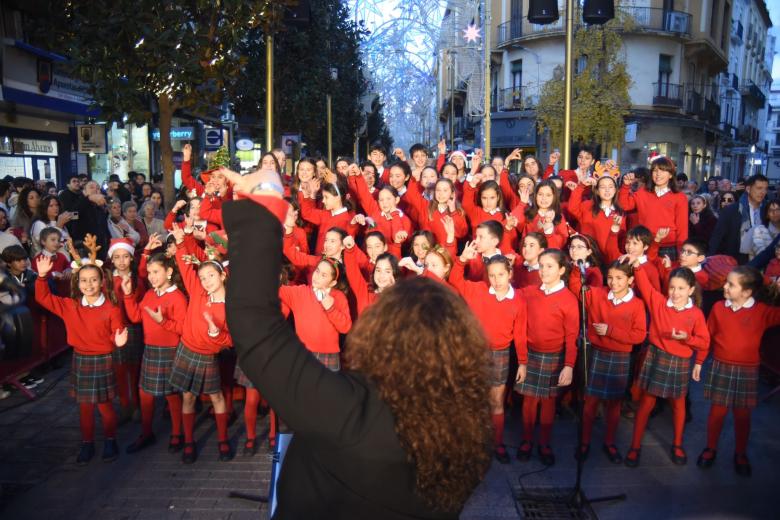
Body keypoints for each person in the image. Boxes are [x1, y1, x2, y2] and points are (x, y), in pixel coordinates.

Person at [222, 167, 491, 518]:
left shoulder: (351, 412)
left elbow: (256, 327)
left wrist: (266, 200)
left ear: (382, 334)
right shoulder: (470, 433)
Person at [34, 253, 128, 465]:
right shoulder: (71, 305)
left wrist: (118, 340)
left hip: (103, 359)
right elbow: (43, 298)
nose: (89, 284)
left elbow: (116, 332)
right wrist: (41, 277)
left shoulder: (111, 308)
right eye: (84, 280)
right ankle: (87, 442)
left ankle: (110, 440)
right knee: (85, 406)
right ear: (78, 282)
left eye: (93, 279)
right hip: (81, 359)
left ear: (102, 281)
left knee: (104, 405)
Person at [623, 263, 710, 467]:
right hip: (657, 356)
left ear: (690, 290)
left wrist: (687, 338)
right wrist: (636, 266)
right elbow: (644, 285)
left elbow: (704, 342)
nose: (675, 293)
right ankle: (635, 445)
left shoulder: (696, 314)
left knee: (678, 404)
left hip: (679, 361)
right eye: (672, 287)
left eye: (681, 288)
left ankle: (677, 444)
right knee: (646, 402)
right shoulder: (659, 302)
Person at [697, 266, 780, 476]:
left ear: (747, 292)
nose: (724, 286)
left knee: (742, 415)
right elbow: (708, 336)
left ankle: (740, 453)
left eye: (731, 284)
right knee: (717, 412)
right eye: (726, 282)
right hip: (721, 366)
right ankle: (710, 448)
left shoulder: (762, 312)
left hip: (747, 370)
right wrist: (699, 361)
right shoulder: (718, 308)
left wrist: (769, 281)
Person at [450, 243, 527, 465]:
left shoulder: (519, 298)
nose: (496, 279)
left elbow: (520, 333)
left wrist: (522, 362)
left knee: (496, 401)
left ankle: (498, 443)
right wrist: (461, 259)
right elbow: (456, 280)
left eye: (501, 274)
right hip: (476, 351)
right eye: (491, 275)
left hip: (501, 354)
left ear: (510, 274)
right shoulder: (478, 290)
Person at [569, 261, 647, 463]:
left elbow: (639, 336)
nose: (613, 282)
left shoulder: (637, 304)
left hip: (620, 357)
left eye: (619, 278)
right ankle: (585, 441)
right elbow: (577, 289)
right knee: (590, 402)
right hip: (598, 353)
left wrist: (611, 331)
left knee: (614, 404)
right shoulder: (598, 294)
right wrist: (578, 269)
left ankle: (609, 442)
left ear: (630, 280)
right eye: (610, 277)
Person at [169, 224, 233, 463]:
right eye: (203, 277)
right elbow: (185, 266)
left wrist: (216, 333)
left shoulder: (230, 306)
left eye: (211, 276)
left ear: (223, 275)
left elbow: (230, 340)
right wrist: (180, 240)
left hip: (208, 356)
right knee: (188, 398)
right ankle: (188, 442)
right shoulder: (198, 292)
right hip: (187, 350)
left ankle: (223, 440)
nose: (206, 281)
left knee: (217, 397)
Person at [515, 249, 579, 466]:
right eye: (541, 266)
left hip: (554, 357)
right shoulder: (529, 292)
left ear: (562, 270)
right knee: (529, 400)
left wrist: (569, 365)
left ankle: (544, 442)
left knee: (549, 402)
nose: (543, 270)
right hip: (531, 354)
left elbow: (572, 337)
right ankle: (525, 440)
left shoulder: (569, 300)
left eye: (549, 266)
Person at [122, 248, 188, 454]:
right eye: (149, 273)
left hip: (170, 351)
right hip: (151, 350)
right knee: (145, 393)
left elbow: (182, 329)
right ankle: (146, 432)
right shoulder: (150, 294)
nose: (151, 277)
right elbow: (135, 317)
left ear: (168, 272)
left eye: (156, 272)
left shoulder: (177, 297)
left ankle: (177, 433)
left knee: (171, 395)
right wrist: (127, 295)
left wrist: (164, 322)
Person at [619, 157, 688, 261]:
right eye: (655, 170)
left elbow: (682, 228)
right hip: (645, 244)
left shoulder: (679, 197)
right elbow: (624, 205)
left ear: (670, 175)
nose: (658, 174)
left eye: (663, 170)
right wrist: (625, 186)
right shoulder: (643, 192)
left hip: (668, 247)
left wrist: (681, 252)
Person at [708, 174, 769, 261]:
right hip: (735, 260)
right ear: (748, 189)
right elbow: (717, 237)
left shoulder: (768, 210)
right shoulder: (731, 210)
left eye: (765, 189)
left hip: (761, 259)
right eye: (759, 188)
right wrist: (709, 260)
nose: (763, 192)